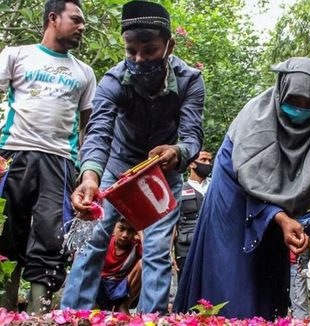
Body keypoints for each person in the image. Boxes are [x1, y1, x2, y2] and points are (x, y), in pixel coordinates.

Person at [60, 0, 205, 313]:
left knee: (155, 248)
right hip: (116, 169)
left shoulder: (190, 80)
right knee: (94, 241)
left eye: (149, 50)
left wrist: (177, 152)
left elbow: (193, 137)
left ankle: (150, 318)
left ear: (169, 46)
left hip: (161, 172)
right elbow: (98, 133)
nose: (139, 59)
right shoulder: (113, 81)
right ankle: (72, 315)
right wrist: (89, 177)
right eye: (131, 51)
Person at [174, 57, 310, 320]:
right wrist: (281, 217)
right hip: (235, 201)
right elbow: (250, 178)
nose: (301, 109)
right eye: (294, 102)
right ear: (281, 92)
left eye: (309, 105)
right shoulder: (257, 119)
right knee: (233, 288)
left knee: (266, 284)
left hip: (277, 213)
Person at [0, 0, 96, 313]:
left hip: (60, 160)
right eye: (77, 19)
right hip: (14, 152)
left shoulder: (85, 73)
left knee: (51, 236)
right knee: (5, 230)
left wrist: (85, 173)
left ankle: (37, 315)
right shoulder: (15, 55)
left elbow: (89, 128)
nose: (83, 27)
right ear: (53, 18)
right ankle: (5, 306)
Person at [173, 150, 213, 280]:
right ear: (191, 164)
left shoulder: (216, 186)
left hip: (213, 248)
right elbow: (173, 224)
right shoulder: (179, 190)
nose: (208, 163)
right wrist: (169, 253)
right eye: (203, 160)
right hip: (186, 251)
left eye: (210, 160)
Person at [97, 218, 142, 314]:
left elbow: (151, 255)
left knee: (144, 263)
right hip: (101, 286)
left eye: (130, 231)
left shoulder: (136, 246)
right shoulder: (104, 243)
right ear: (113, 229)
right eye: (121, 229)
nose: (125, 235)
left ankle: (125, 305)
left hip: (122, 287)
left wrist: (140, 234)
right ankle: (94, 304)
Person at [289, 250, 310, 319]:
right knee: (294, 301)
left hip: (296, 265)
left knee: (300, 302)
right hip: (288, 265)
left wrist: (304, 264)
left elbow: (304, 244)